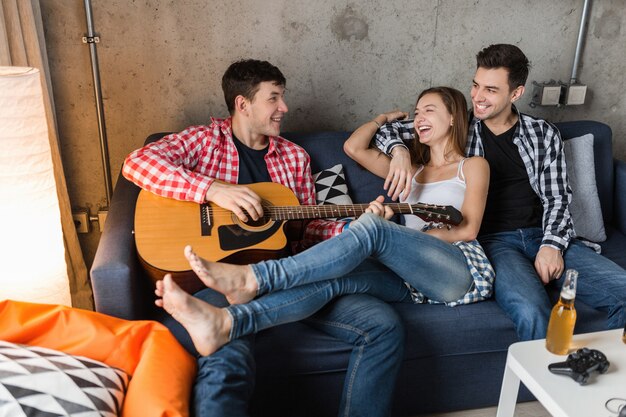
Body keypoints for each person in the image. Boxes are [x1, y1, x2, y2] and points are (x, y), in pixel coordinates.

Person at [122, 59, 406, 417]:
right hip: (218, 276)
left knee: (383, 324)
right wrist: (213, 190)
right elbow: (138, 162)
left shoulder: (294, 157)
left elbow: (306, 233)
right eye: (274, 98)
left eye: (282, 97)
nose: (284, 108)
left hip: (290, 276)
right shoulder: (204, 141)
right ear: (243, 104)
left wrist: (355, 230)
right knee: (229, 351)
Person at [153, 87, 495, 371]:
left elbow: (467, 229)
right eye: (416, 112)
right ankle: (228, 324)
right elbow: (354, 147)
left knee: (373, 228)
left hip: (456, 271)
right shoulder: (409, 171)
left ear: (454, 118)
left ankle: (254, 279)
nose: (419, 118)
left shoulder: (473, 165)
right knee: (337, 278)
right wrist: (393, 138)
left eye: (429, 111)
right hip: (410, 279)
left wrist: (400, 238)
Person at [375, 44, 626, 341]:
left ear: (515, 93)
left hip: (542, 234)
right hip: (495, 244)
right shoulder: (458, 125)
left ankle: (604, 379)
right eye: (476, 85)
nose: (478, 97)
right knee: (532, 311)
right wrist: (400, 151)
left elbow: (557, 198)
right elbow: (386, 131)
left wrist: (552, 246)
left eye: (491, 90)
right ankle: (540, 385)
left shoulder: (542, 134)